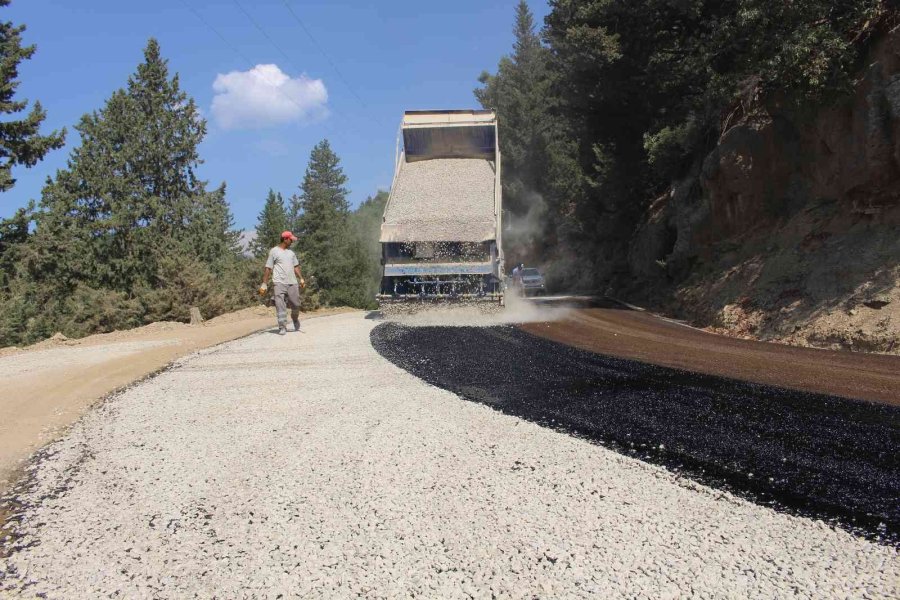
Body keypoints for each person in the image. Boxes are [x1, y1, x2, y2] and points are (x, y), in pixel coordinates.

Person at [259, 231, 306, 335]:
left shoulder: (291, 253)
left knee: (296, 304)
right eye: (291, 240)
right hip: (279, 282)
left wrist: (301, 278)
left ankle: (294, 318)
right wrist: (264, 284)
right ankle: (282, 327)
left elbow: (296, 266)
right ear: (285, 239)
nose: (292, 242)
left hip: (292, 282)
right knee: (280, 305)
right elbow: (268, 268)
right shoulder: (274, 251)